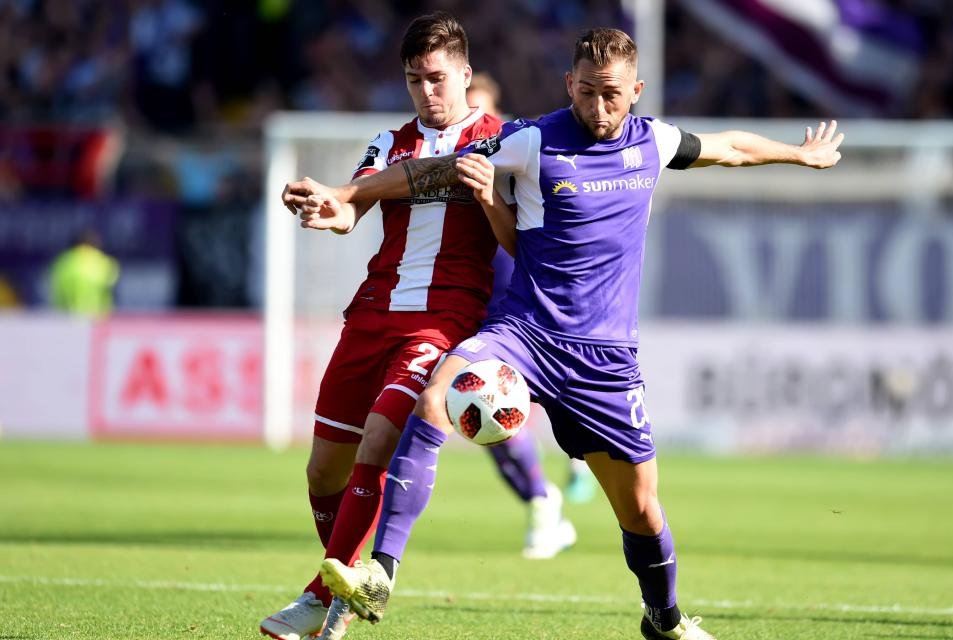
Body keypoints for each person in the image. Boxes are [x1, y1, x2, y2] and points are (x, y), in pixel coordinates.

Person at [285, 27, 843, 640]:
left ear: (636, 90)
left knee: (641, 509)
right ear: (567, 85)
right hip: (524, 333)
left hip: (605, 359)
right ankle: (381, 572)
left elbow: (730, 147)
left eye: (610, 94)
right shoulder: (531, 139)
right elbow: (433, 171)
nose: (597, 109)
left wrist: (799, 153)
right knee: (436, 394)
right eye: (585, 93)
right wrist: (347, 192)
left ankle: (665, 617)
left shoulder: (652, 141)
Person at [260, 13, 573, 640]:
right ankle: (344, 587)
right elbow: (356, 207)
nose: (426, 92)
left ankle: (323, 596)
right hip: (371, 314)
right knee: (324, 471)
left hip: (442, 321)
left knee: (378, 444)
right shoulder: (390, 141)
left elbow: (516, 236)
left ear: (464, 73)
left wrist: (484, 200)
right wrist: (331, 213)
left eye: (436, 78)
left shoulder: (505, 141)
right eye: (413, 80)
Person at [469, 72, 599, 505]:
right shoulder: (465, 153)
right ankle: (543, 499)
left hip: (525, 290)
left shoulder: (517, 146)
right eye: (470, 105)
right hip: (477, 291)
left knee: (511, 395)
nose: (477, 114)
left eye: (483, 106)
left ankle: (570, 467)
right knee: (482, 408)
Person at [48, 229, 119, 317]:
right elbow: (110, 290)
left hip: (66, 318)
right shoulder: (104, 262)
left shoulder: (62, 261)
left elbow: (56, 290)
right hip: (96, 319)